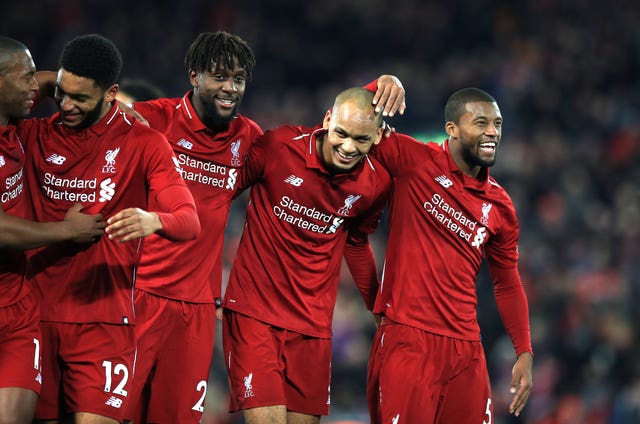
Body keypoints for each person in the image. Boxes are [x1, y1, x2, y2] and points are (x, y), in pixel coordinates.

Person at [120, 31, 405, 424]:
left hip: (251, 316)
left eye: (238, 79)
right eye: (220, 77)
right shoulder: (170, 124)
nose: (229, 87)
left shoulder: (257, 141)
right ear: (194, 76)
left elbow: (354, 234)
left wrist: (383, 85)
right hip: (178, 300)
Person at [14, 34, 200, 424]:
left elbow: (188, 221)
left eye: (81, 98)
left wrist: (155, 220)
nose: (66, 106)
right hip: (34, 317)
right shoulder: (32, 135)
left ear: (111, 93)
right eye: (61, 93)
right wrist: (52, 80)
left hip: (104, 323)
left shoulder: (144, 143)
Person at [221, 86, 392, 424]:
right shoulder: (280, 148)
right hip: (255, 316)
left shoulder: (375, 184)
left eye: (360, 139)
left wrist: (378, 307)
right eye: (341, 133)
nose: (347, 146)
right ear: (328, 119)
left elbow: (356, 244)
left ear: (376, 138)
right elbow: (219, 198)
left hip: (313, 326)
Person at [365, 87, 534, 423]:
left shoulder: (500, 206)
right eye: (481, 123)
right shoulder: (413, 160)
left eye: (497, 124)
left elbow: (508, 283)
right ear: (452, 128)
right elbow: (350, 121)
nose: (492, 132)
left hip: (466, 350)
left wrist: (525, 351)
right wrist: (378, 87)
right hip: (408, 339)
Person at [0, 36, 106, 424]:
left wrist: (116, 107)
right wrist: (65, 232)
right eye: (25, 78)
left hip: (16, 311)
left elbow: (51, 80)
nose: (37, 87)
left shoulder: (10, 121)